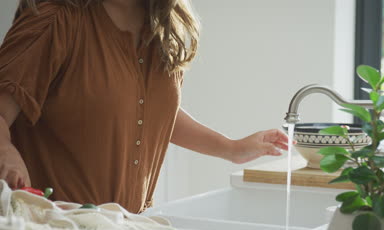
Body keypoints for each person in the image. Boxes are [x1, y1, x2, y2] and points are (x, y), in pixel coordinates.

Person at [0, 0, 289, 213]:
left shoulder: (162, 27)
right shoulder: (55, 19)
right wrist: (7, 154)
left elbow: (152, 111)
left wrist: (231, 149)